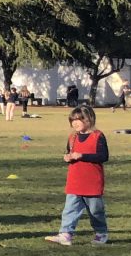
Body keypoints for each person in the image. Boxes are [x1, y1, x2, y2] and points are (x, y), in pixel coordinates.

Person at [44, 104, 108, 246]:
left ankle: (101, 232)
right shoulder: (72, 137)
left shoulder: (98, 136)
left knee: (95, 211)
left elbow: (103, 156)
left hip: (92, 181)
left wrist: (83, 156)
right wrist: (67, 157)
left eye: (79, 119)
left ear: (89, 119)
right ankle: (65, 234)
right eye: (73, 120)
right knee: (70, 209)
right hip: (74, 181)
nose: (75, 123)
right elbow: (69, 152)